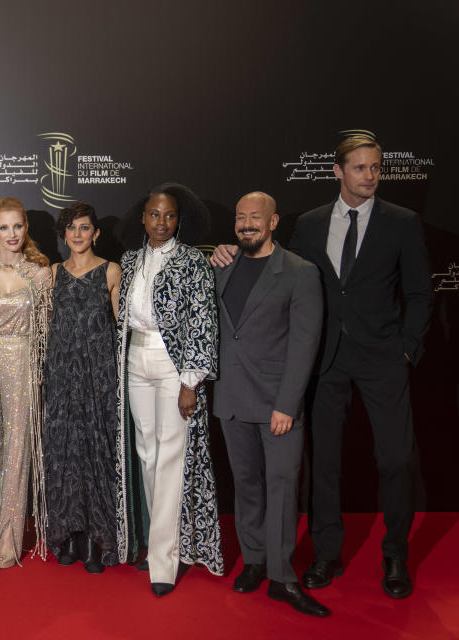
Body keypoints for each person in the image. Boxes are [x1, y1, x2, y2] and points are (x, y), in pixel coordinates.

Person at [210, 135, 433, 598]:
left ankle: (395, 555)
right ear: (338, 171)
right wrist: (225, 252)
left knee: (395, 459)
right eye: (360, 168)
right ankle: (327, 555)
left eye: (375, 168)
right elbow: (281, 276)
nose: (369, 176)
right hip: (324, 361)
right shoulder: (307, 225)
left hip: (383, 359)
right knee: (324, 463)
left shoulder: (402, 222)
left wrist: (407, 349)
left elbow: (419, 293)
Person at [213, 192, 328, 616]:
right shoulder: (222, 267)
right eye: (240, 217)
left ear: (274, 221)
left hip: (278, 403)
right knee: (246, 486)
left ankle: (283, 577)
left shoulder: (300, 272)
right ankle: (256, 562)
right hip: (231, 399)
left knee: (281, 487)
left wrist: (288, 403)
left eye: (255, 218)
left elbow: (304, 343)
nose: (246, 224)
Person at [114, 183, 223, 596]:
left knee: (172, 455)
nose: (162, 222)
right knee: (147, 452)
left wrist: (190, 381)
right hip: (135, 361)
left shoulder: (193, 262)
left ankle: (164, 560)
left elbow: (203, 321)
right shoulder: (129, 261)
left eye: (170, 215)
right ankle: (159, 545)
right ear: (142, 218)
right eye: (154, 214)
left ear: (180, 220)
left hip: (173, 364)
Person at [0, 197, 52, 569]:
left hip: (23, 364)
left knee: (18, 450)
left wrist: (39, 371)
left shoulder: (40, 274)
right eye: (4, 227)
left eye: (17, 226)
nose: (12, 234)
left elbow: (47, 333)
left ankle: (9, 541)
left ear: (26, 227)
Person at [43, 201, 122, 574]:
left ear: (96, 233)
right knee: (64, 455)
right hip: (60, 379)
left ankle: (94, 538)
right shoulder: (52, 274)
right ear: (64, 234)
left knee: (94, 455)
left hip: (98, 379)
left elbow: (122, 329)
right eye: (71, 227)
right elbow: (45, 329)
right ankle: (68, 535)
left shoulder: (110, 271)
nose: (77, 234)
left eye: (85, 227)